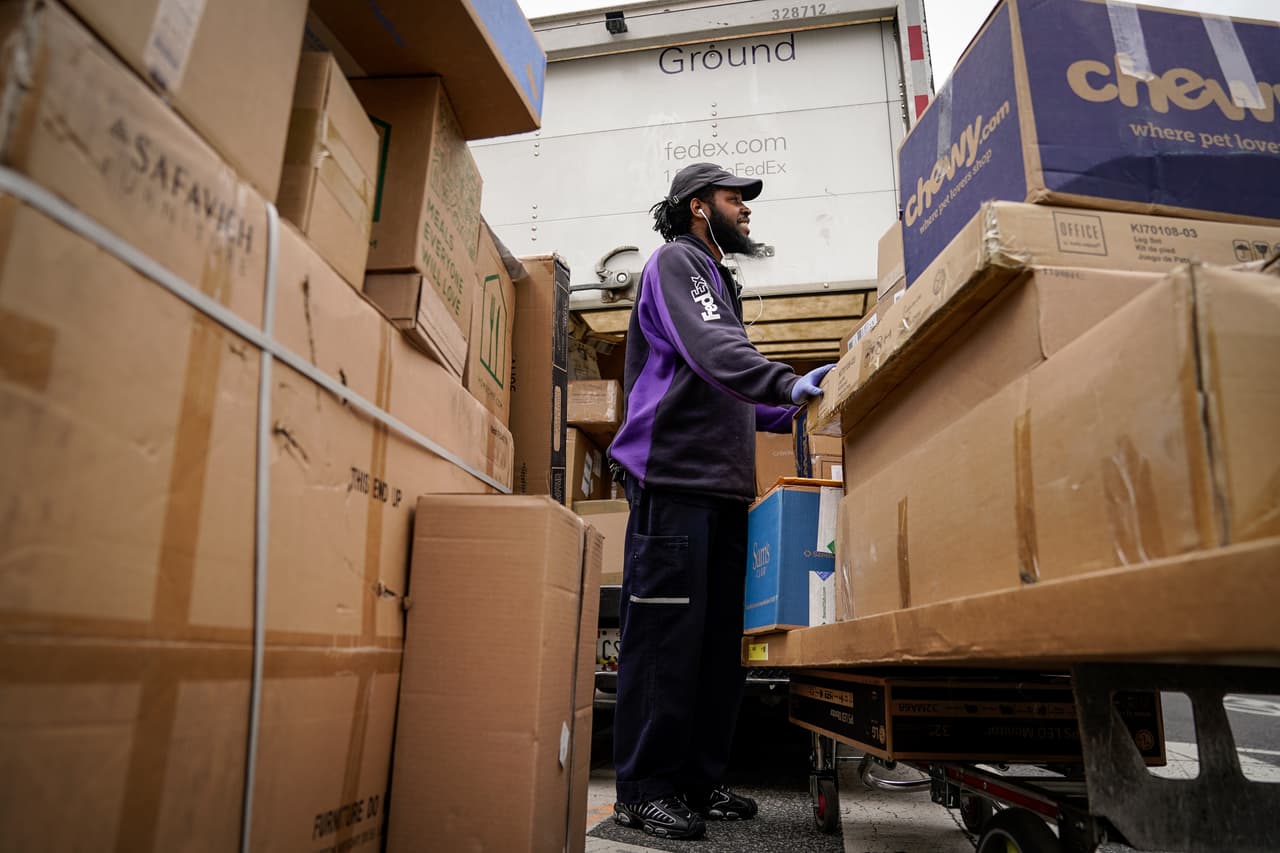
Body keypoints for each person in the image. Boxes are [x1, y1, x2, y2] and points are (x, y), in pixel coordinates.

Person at [606, 162, 833, 840]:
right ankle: (643, 789)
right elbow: (712, 351)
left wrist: (789, 405)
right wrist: (780, 381)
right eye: (736, 200)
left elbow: (731, 391)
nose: (747, 211)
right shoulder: (677, 263)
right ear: (699, 208)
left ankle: (696, 782)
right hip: (672, 482)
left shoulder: (717, 280)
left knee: (717, 649)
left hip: (723, 488)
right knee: (665, 642)